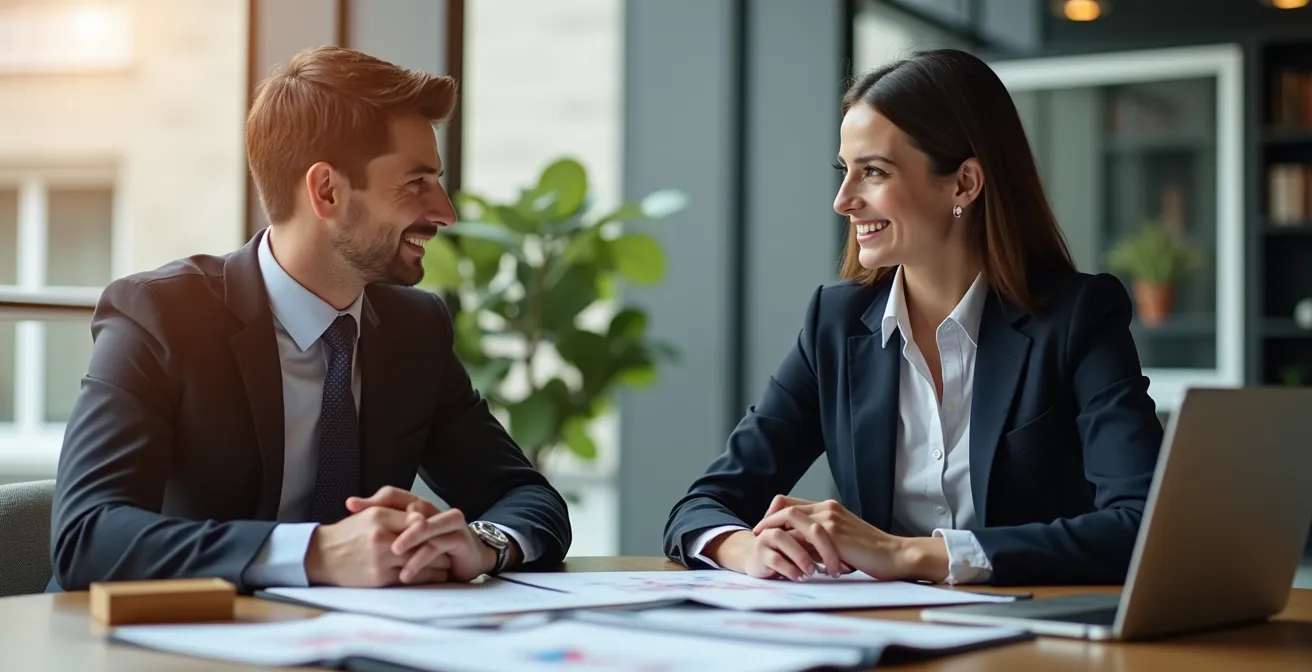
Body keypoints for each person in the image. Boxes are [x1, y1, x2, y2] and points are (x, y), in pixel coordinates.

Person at [49, 45, 570, 593]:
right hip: (154, 633)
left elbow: (529, 497)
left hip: (349, 633)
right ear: (326, 191)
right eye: (416, 183)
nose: (445, 212)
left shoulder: (414, 330)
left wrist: (481, 542)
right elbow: (86, 537)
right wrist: (317, 553)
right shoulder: (159, 316)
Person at [663, 49, 1163, 587]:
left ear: (964, 183)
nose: (843, 201)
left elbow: (1141, 525)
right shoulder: (835, 323)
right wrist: (747, 548)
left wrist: (905, 554)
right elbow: (702, 506)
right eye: (845, 171)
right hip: (883, 628)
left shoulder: (1077, 319)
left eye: (874, 172)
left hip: (1038, 628)